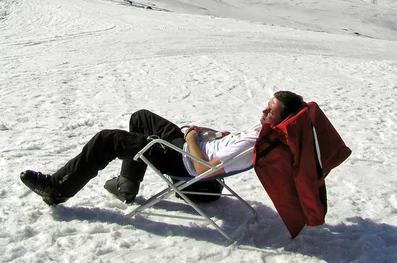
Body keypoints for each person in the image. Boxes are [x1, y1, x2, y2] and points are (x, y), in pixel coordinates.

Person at [20, 91, 304, 206]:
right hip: (190, 148)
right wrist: (210, 134)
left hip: (184, 161)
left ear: (283, 119)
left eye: (271, 111)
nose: (264, 112)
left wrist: (192, 136)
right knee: (141, 118)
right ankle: (128, 183)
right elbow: (223, 149)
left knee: (107, 139)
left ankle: (58, 188)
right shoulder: (265, 134)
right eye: (267, 107)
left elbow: (204, 168)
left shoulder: (253, 142)